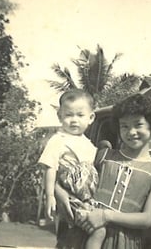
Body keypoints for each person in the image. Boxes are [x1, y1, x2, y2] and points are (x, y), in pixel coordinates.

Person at [55, 93, 151, 249]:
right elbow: (68, 178)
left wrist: (106, 215)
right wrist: (59, 192)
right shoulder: (103, 156)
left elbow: (147, 219)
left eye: (138, 125)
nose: (131, 132)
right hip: (85, 235)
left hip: (124, 242)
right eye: (125, 126)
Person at [38, 89, 109, 249]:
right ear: (60, 116)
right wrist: (50, 195)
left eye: (80, 115)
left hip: (88, 198)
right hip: (72, 198)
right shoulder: (58, 140)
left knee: (75, 238)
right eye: (69, 115)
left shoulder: (88, 144)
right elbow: (50, 168)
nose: (74, 120)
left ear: (91, 118)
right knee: (98, 231)